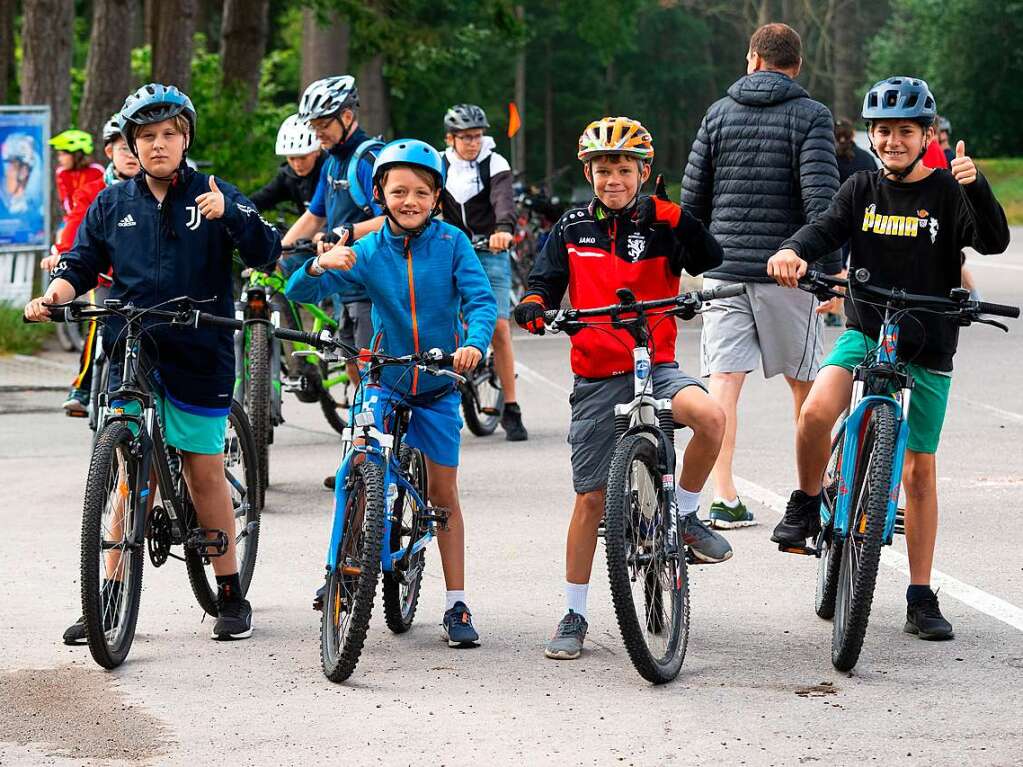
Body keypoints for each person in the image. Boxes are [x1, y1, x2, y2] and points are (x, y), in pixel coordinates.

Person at [25, 83, 281, 643]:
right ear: (132, 146)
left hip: (199, 348)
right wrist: (56, 295)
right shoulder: (114, 202)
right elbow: (83, 261)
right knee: (125, 476)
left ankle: (232, 594)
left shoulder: (214, 194)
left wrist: (232, 214)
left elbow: (267, 251)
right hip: (133, 344)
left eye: (169, 134)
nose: (159, 144)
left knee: (201, 468)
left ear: (186, 138)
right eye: (147, 137)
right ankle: (108, 596)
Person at [765, 76, 1010, 640]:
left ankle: (920, 595)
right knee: (815, 413)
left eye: (906, 130)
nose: (893, 140)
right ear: (871, 136)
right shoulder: (860, 189)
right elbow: (823, 229)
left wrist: (977, 187)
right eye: (883, 131)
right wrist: (791, 251)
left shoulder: (949, 191)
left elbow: (992, 240)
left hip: (929, 342)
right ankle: (806, 502)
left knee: (919, 470)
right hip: (867, 329)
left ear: (928, 135)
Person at [513, 117, 728, 661]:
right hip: (596, 376)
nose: (613, 178)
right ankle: (574, 613)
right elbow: (542, 283)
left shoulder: (665, 222)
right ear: (589, 172)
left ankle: (682, 514)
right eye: (603, 168)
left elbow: (711, 258)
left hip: (655, 364)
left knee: (711, 418)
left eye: (624, 169)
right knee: (590, 499)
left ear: (643, 172)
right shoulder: (570, 228)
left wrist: (677, 215)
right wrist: (537, 305)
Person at [286, 139, 497, 647]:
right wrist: (320, 266)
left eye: (421, 192)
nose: (409, 200)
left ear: (436, 198)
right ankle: (340, 566)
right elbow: (297, 290)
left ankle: (457, 603)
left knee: (444, 496)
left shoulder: (452, 244)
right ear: (380, 194)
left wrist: (472, 344)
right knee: (355, 469)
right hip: (384, 378)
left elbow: (481, 301)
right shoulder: (368, 249)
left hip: (438, 385)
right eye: (398, 190)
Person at [682, 22, 841, 531]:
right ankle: (810, 493)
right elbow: (822, 202)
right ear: (796, 65)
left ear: (752, 58)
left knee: (724, 383)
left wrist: (699, 257)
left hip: (723, 271)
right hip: (787, 271)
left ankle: (723, 495)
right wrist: (832, 269)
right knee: (806, 388)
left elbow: (693, 201)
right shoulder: (812, 115)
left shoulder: (717, 112)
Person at [40, 115, 140, 415]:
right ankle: (83, 387)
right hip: (106, 277)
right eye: (124, 149)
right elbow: (75, 223)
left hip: (149, 282)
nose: (132, 156)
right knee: (99, 323)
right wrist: (62, 251)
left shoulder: (159, 190)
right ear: (110, 152)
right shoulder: (92, 190)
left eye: (135, 148)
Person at [440, 103, 528, 441]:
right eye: (465, 137)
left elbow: (503, 201)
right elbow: (432, 200)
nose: (472, 142)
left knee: (499, 327)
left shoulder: (495, 162)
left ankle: (511, 406)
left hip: (489, 248)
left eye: (477, 136)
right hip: (449, 250)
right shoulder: (438, 163)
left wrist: (503, 229)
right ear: (451, 139)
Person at [250, 113, 325, 217]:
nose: (297, 164)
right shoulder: (288, 176)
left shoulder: (331, 170)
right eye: (291, 158)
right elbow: (260, 200)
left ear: (317, 150)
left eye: (303, 157)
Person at [48, 129, 104, 220]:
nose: (60, 159)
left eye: (63, 155)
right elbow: (65, 200)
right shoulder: (62, 173)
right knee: (62, 234)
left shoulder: (96, 171)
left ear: (77, 155)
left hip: (95, 219)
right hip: (73, 217)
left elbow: (101, 198)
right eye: (59, 155)